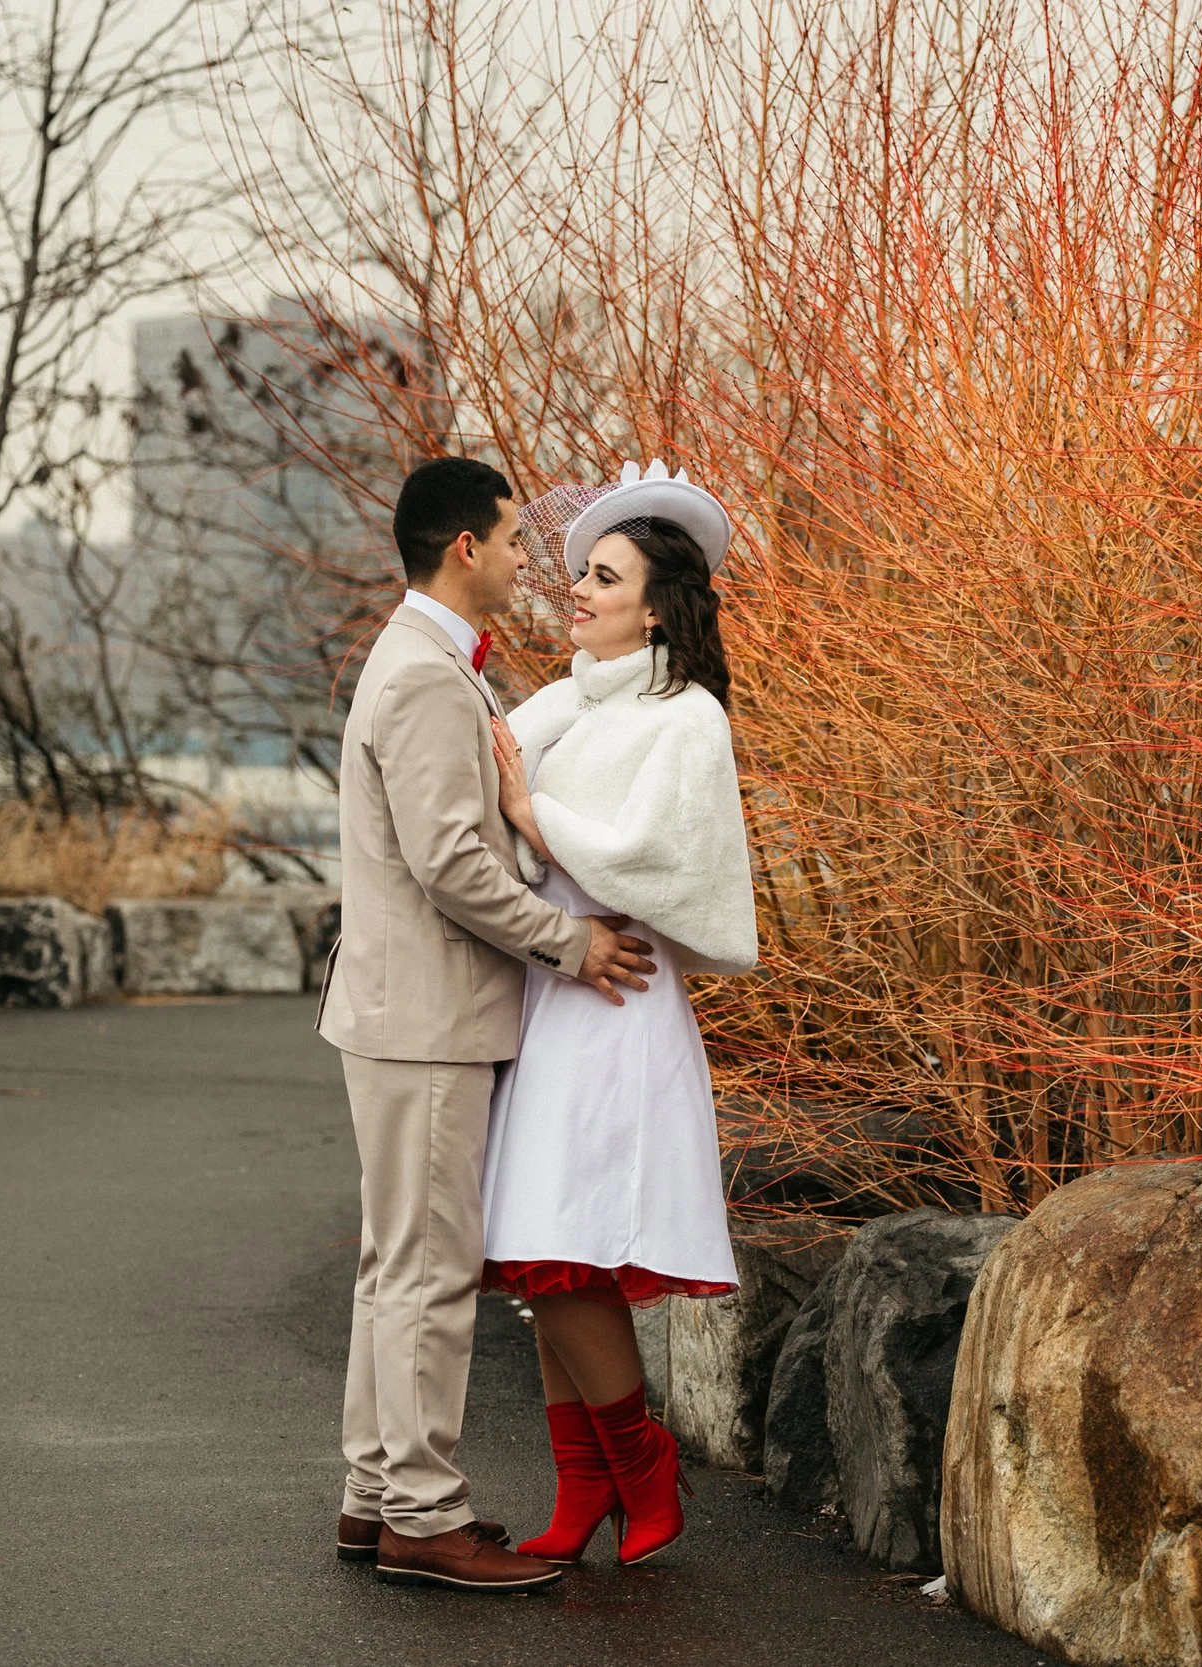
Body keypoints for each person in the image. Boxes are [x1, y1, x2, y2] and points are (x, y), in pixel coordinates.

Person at [316, 455, 659, 1593]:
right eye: (515, 539)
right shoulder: (420, 673)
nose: (528, 558)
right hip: (425, 1018)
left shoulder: (422, 662)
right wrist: (572, 941)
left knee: (393, 1266)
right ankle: (423, 1511)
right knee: (427, 1271)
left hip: (404, 1013)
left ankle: (376, 1495)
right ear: (465, 546)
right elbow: (452, 862)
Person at [481, 459, 760, 1568]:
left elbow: (651, 857)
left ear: (657, 604)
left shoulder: (682, 715)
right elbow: (499, 825)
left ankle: (643, 1463)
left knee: (565, 1247)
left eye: (605, 578)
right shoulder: (557, 703)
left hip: (616, 1001)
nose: (580, 592)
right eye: (579, 574)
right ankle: (585, 1479)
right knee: (544, 1253)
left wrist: (528, 808)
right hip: (554, 988)